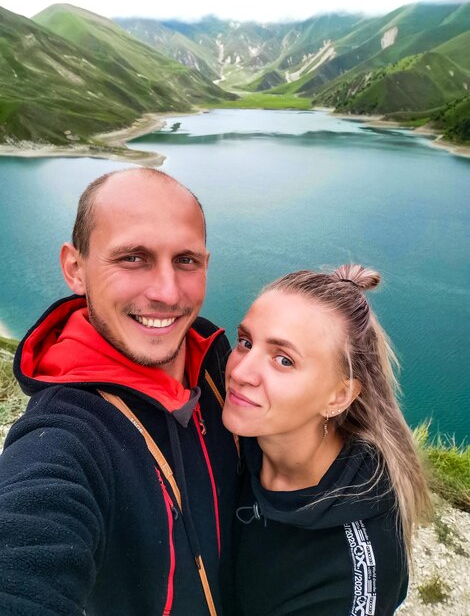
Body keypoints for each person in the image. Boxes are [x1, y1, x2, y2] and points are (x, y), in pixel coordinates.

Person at [0, 168, 239, 615]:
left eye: (186, 260)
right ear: (76, 268)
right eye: (133, 258)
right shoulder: (66, 437)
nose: (167, 293)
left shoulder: (218, 361)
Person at [223, 264, 431, 616]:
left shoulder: (350, 576)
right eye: (245, 342)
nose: (239, 372)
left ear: (338, 396)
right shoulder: (240, 430)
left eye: (284, 360)